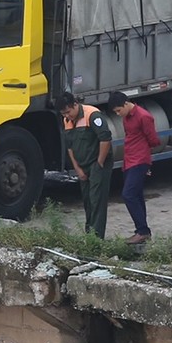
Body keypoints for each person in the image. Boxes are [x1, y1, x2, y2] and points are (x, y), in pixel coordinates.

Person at [107, 92, 160, 245]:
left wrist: (145, 156)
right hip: (129, 159)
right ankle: (143, 231)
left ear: (125, 104)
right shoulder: (126, 117)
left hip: (140, 159)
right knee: (135, 195)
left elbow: (154, 140)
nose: (118, 114)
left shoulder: (144, 116)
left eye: (118, 110)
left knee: (128, 194)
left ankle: (142, 231)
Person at [59, 93, 113, 238]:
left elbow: (105, 139)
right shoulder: (67, 120)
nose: (67, 116)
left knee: (97, 200)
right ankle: (89, 235)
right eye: (64, 113)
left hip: (97, 164)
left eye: (68, 112)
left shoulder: (92, 116)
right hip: (83, 167)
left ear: (75, 105)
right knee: (88, 201)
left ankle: (97, 238)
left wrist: (99, 163)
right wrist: (77, 168)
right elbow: (70, 147)